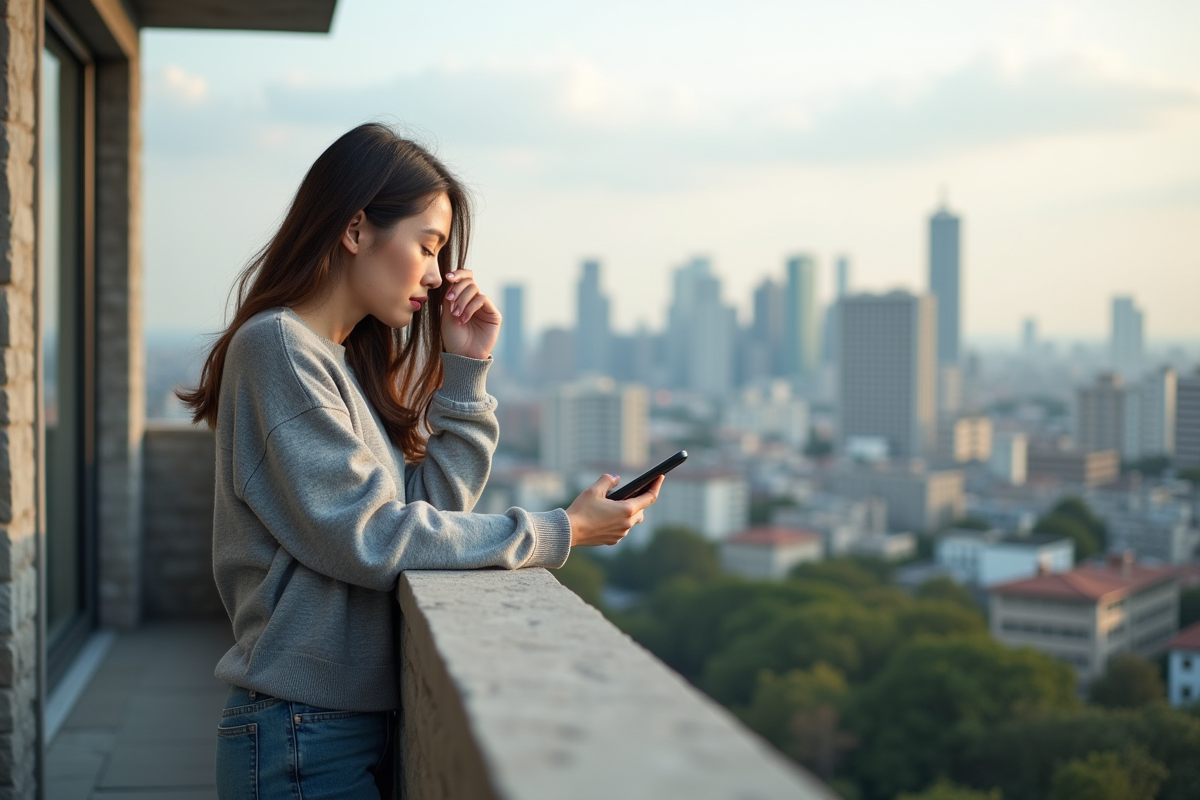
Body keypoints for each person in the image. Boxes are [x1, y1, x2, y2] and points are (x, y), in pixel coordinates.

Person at [178, 122, 661, 800]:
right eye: (428, 247)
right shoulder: (278, 348)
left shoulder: (334, 361)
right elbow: (372, 538)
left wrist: (465, 368)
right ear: (354, 231)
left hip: (327, 728)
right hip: (301, 735)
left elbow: (425, 515)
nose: (437, 278)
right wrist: (563, 530)